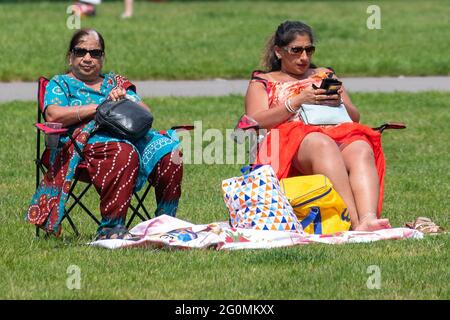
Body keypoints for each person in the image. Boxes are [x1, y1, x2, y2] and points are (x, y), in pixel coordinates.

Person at [27, 28, 183, 239]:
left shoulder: (114, 83)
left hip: (130, 136)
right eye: (81, 52)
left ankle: (165, 223)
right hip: (85, 143)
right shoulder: (60, 84)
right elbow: (53, 115)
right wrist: (99, 107)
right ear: (70, 56)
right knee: (123, 152)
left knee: (171, 151)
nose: (88, 58)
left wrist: (123, 99)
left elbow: (145, 114)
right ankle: (112, 228)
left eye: (95, 53)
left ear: (103, 57)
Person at [245, 21, 391, 231]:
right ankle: (353, 222)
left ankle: (368, 217)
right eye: (296, 50)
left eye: (309, 50)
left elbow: (354, 117)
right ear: (279, 52)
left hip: (334, 131)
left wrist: (338, 102)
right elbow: (253, 122)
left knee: (360, 147)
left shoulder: (324, 74)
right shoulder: (263, 81)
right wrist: (295, 102)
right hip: (290, 141)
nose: (304, 57)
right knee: (321, 143)